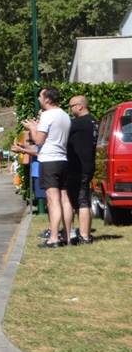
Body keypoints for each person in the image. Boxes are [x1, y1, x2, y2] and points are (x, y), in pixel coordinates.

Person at [22, 87, 71, 248]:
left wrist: (32, 128)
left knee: (53, 199)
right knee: (64, 198)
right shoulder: (64, 115)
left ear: (48, 99)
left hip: (49, 160)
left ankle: (54, 238)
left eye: (40, 96)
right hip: (63, 159)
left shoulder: (47, 115)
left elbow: (38, 141)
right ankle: (67, 236)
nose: (38, 99)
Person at [65, 95, 97, 245]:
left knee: (80, 200)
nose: (70, 110)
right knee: (84, 198)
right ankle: (85, 233)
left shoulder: (78, 123)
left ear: (80, 106)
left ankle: (84, 236)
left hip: (78, 166)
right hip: (88, 165)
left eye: (71, 106)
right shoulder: (93, 121)